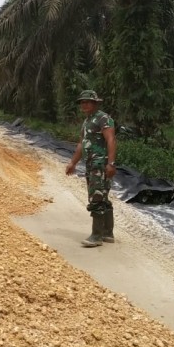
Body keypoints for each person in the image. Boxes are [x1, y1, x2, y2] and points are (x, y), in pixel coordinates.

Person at [65, 89, 117, 247]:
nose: (84, 105)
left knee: (97, 197)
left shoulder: (103, 118)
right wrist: (73, 163)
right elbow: (81, 144)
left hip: (100, 165)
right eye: (82, 102)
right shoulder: (87, 121)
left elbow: (111, 140)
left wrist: (111, 163)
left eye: (88, 102)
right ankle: (108, 233)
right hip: (91, 165)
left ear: (95, 103)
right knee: (102, 197)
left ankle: (96, 236)